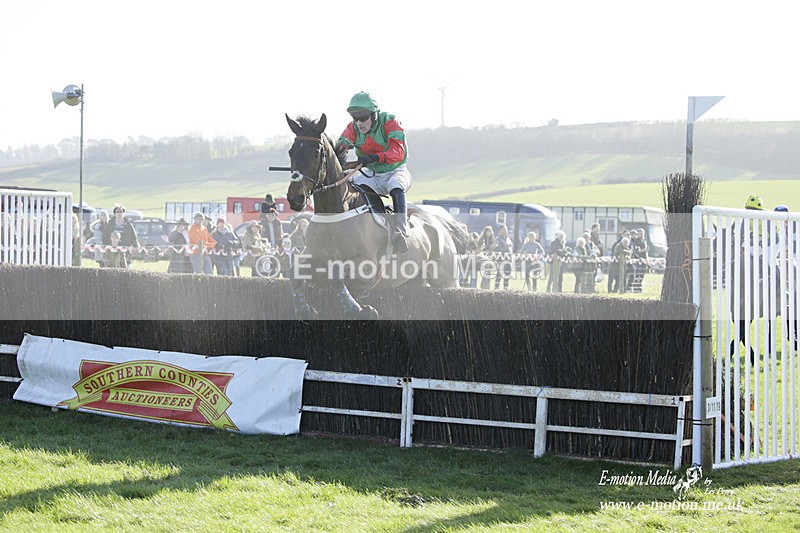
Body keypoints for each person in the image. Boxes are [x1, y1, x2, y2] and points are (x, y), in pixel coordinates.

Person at [335, 91, 412, 253]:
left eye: (363, 118)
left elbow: (398, 152)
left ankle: (400, 230)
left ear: (374, 115)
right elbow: (342, 145)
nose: (359, 123)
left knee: (396, 185)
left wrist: (375, 157)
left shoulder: (390, 122)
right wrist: (338, 156)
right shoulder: (353, 127)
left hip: (395, 171)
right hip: (372, 174)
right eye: (355, 118)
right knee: (352, 187)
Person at [493, 224, 513, 290]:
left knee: (507, 274)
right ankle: (496, 288)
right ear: (501, 230)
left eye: (506, 229)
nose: (506, 230)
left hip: (508, 259)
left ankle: (506, 288)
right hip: (501, 259)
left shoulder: (508, 238)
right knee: (499, 274)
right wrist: (506, 246)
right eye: (504, 229)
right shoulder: (498, 239)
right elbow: (497, 249)